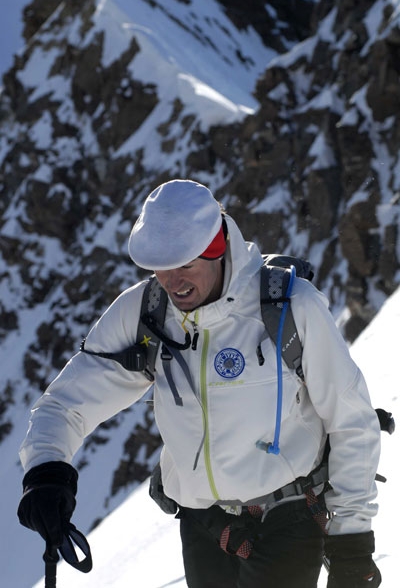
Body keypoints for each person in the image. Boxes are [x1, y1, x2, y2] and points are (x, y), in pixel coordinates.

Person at [18, 179, 382, 588]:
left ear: (216, 247)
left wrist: (353, 540)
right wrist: (47, 471)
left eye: (185, 264)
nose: (172, 282)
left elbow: (352, 419)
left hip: (290, 516)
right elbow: (67, 403)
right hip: (204, 525)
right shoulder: (146, 314)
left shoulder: (289, 307)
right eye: (161, 266)